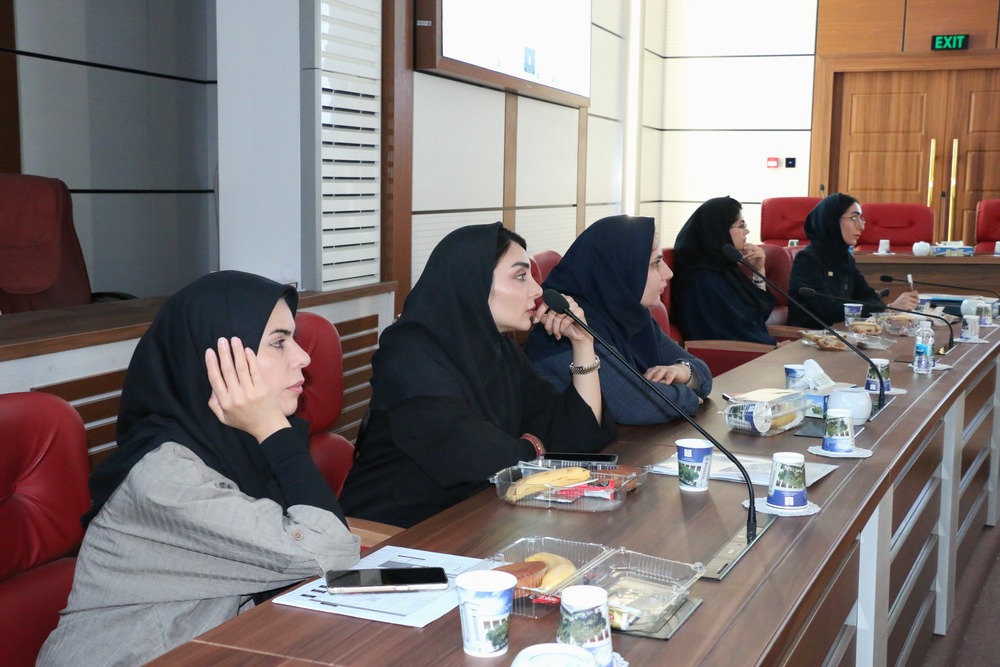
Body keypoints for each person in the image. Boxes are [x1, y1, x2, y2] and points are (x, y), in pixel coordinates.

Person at [38, 271, 360, 666]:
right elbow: (330, 552)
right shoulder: (167, 478)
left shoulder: (235, 445)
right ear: (217, 362)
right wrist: (274, 431)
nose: (303, 357)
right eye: (279, 342)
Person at [339, 222, 616, 529]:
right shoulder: (408, 355)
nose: (538, 290)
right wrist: (537, 447)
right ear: (473, 282)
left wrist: (583, 345)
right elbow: (478, 458)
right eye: (520, 276)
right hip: (389, 535)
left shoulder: (498, 348)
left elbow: (575, 435)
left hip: (470, 520)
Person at [525, 214, 712, 426]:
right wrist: (689, 396)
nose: (668, 273)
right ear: (619, 270)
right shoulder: (564, 327)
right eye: (655, 264)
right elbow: (638, 406)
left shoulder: (632, 316)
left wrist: (683, 372)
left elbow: (704, 376)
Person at [788, 193, 919, 327]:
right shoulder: (807, 260)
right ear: (832, 221)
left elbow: (872, 297)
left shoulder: (845, 258)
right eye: (854, 218)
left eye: (861, 219)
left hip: (842, 332)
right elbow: (829, 310)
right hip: (807, 336)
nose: (861, 226)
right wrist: (887, 309)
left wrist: (880, 308)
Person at [672, 196, 777, 345]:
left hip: (755, 352)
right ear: (718, 230)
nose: (747, 231)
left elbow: (757, 315)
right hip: (733, 357)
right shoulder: (703, 280)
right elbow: (732, 335)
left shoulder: (724, 268)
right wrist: (774, 347)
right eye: (741, 225)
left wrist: (758, 271)